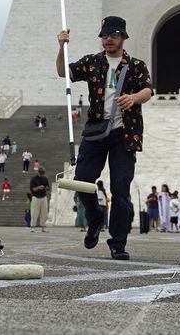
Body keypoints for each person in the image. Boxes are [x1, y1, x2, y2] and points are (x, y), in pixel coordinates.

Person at [56, 16, 153, 261]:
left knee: (120, 187)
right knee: (81, 180)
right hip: (97, 131)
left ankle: (118, 243)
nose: (108, 39)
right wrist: (61, 47)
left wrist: (133, 98)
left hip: (124, 134)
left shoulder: (136, 66)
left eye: (114, 34)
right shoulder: (92, 62)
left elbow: (148, 90)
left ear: (123, 37)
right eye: (105, 35)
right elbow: (63, 72)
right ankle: (96, 217)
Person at [29, 166, 50, 232]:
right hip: (36, 197)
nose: (41, 175)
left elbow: (48, 187)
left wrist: (46, 188)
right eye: (40, 173)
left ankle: (43, 227)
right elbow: (32, 189)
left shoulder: (45, 179)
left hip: (43, 196)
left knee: (44, 213)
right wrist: (38, 187)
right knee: (34, 212)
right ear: (38, 172)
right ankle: (33, 226)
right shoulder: (33, 179)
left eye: (42, 173)